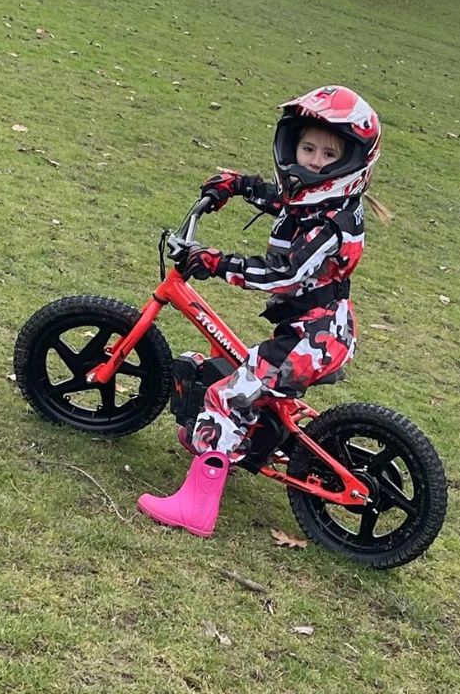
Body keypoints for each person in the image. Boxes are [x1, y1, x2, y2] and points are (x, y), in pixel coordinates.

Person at [137, 85, 383, 538]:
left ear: (351, 162)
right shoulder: (319, 201)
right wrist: (241, 185)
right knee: (243, 375)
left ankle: (196, 507)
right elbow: (282, 200)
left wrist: (214, 262)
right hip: (314, 330)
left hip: (311, 340)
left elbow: (281, 276)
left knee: (226, 398)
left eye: (327, 153)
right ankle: (237, 443)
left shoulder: (331, 223)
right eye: (306, 147)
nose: (312, 159)